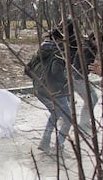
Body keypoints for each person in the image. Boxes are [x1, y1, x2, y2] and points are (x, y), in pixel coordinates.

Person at [27, 26, 73, 154]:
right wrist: (66, 82)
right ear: (59, 40)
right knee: (68, 118)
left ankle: (45, 141)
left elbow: (27, 69)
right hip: (55, 90)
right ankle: (58, 145)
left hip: (39, 89)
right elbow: (56, 71)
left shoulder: (40, 51)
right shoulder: (58, 53)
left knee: (55, 113)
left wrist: (40, 80)